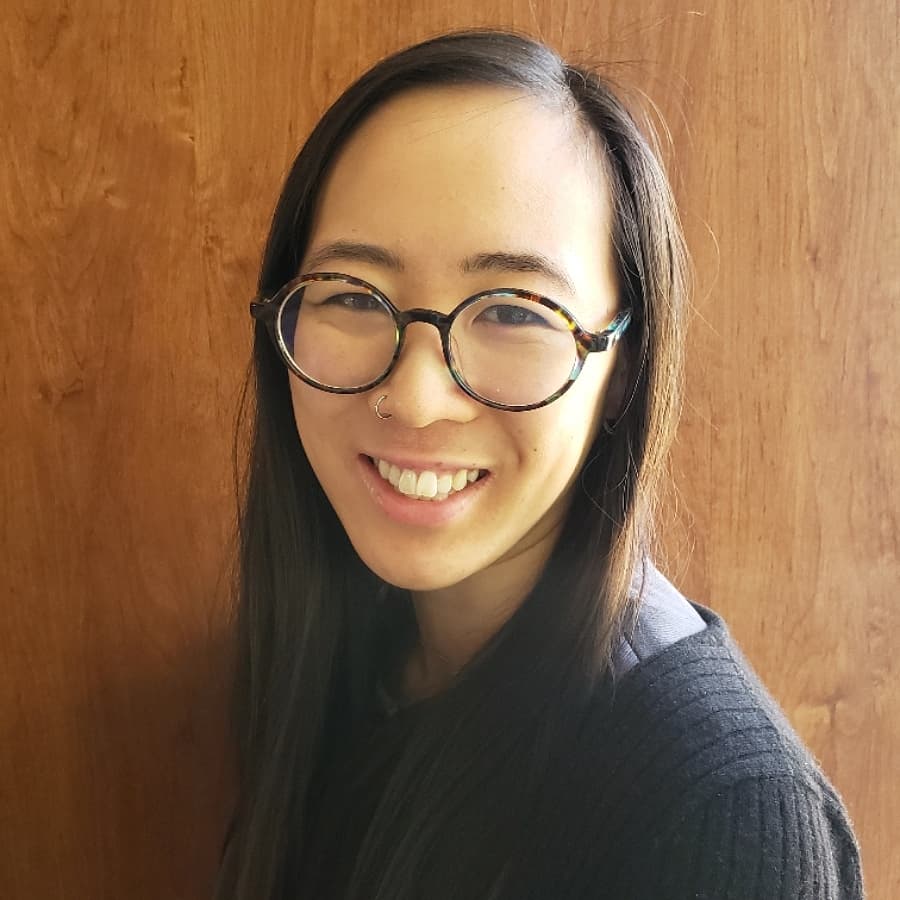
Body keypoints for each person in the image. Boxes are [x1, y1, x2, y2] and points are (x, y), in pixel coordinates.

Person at [213, 30, 864, 900]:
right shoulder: (342, 645)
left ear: (622, 360)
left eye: (515, 313)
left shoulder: (722, 811)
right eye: (353, 295)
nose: (415, 398)